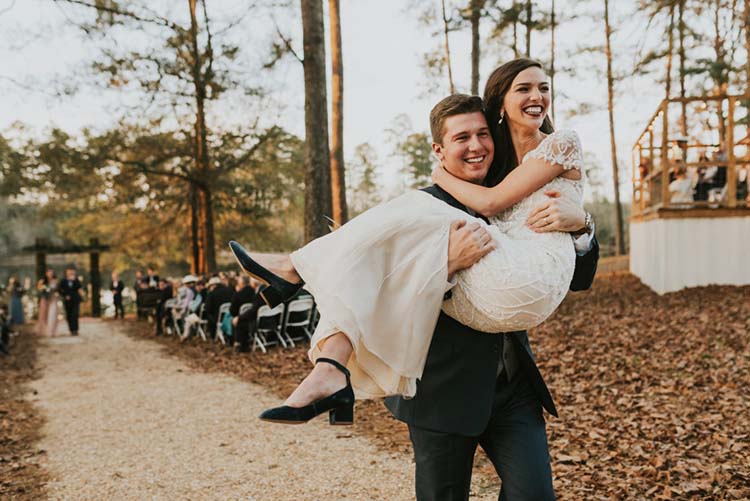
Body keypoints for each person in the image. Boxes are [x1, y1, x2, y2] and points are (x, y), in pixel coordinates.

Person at [233, 59, 598, 499]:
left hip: (514, 389)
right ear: (439, 151)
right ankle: (326, 358)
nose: (476, 146)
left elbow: (575, 277)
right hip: (444, 392)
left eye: (482, 135)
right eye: (461, 138)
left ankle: (294, 275)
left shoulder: (512, 183)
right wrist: (442, 265)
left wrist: (581, 226)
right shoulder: (421, 211)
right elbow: (377, 289)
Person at [230, 278, 264, 353]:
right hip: (265, 319)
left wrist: (239, 317)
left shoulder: (259, 293)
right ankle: (241, 343)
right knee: (241, 320)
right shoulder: (257, 291)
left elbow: (254, 310)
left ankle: (239, 344)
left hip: (259, 322)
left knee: (239, 322)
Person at [203, 275, 234, 340]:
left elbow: (207, 308)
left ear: (213, 285)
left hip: (217, 318)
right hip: (229, 316)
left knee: (209, 316)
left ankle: (213, 335)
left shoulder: (211, 294)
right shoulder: (229, 291)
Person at [58, 267, 83, 336]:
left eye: (72, 271)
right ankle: (71, 329)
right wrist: (65, 295)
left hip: (75, 300)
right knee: (69, 315)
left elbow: (79, 287)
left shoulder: (76, 279)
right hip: (67, 301)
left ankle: (76, 329)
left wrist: (75, 280)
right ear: (66, 272)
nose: (70, 272)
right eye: (69, 271)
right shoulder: (63, 281)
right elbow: (60, 290)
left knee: (75, 314)